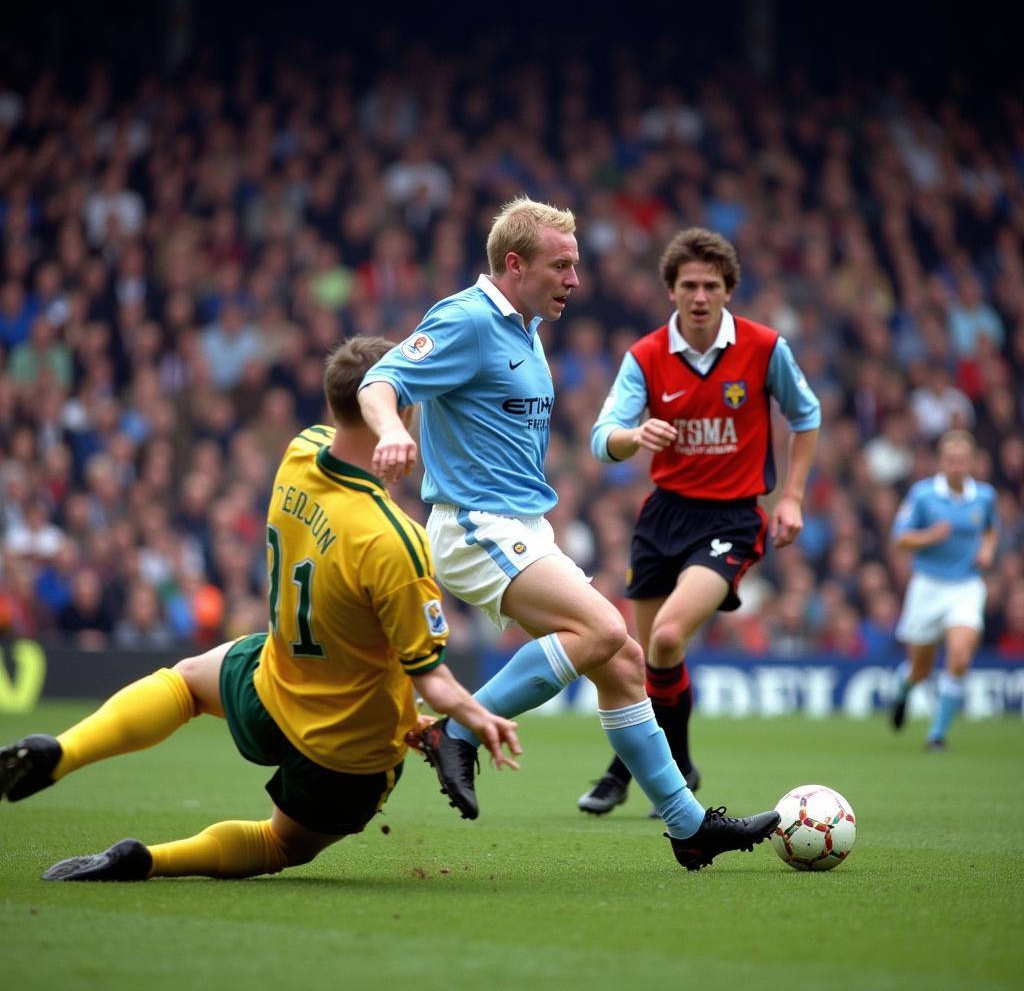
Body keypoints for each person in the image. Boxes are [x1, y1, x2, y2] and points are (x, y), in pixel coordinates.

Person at [357, 197, 779, 871]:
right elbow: (382, 379)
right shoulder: (465, 319)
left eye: (576, 266)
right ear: (516, 264)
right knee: (607, 631)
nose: (575, 280)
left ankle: (688, 827)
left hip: (524, 526)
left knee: (623, 665)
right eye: (562, 266)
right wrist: (387, 432)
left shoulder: (525, 325)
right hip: (476, 525)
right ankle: (455, 731)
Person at [0, 336, 520, 881]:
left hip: (270, 688)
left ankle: (62, 752)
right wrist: (477, 718)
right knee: (280, 846)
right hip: (345, 752)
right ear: (397, 408)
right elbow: (431, 679)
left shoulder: (299, 453)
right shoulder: (397, 544)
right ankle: (148, 860)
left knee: (182, 684)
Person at [576, 226, 820, 816]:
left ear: (729, 290)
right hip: (663, 515)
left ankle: (639, 771)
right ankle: (672, 765)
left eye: (712, 285)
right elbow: (600, 437)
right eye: (689, 284)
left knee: (664, 638)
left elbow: (805, 417)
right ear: (671, 290)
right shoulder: (647, 355)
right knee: (643, 661)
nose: (701, 296)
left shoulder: (764, 348)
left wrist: (791, 498)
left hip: (732, 518)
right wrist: (634, 436)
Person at [889, 429, 997, 749]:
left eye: (962, 460)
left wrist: (988, 550)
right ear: (941, 462)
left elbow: (990, 529)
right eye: (951, 460)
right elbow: (901, 537)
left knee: (960, 656)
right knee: (921, 668)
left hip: (965, 585)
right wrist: (930, 536)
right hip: (928, 586)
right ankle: (904, 690)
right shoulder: (923, 495)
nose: (956, 466)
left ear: (972, 462)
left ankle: (937, 734)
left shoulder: (985, 497)